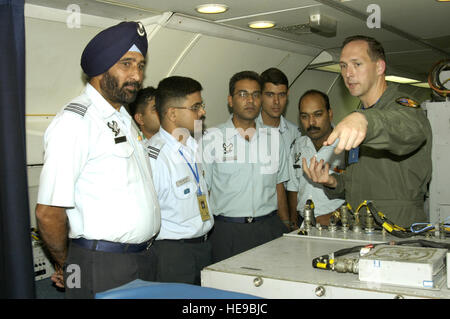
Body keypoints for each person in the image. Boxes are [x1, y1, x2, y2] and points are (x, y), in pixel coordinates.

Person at [35, 21, 161, 299]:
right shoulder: (76, 122)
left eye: (140, 66)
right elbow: (48, 212)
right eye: (126, 64)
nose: (137, 76)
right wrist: (68, 266)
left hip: (143, 259)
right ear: (99, 68)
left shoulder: (123, 118)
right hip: (100, 264)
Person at [302, 35, 432, 228]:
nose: (348, 73)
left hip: (399, 227)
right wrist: (332, 182)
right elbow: (358, 180)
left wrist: (366, 121)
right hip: (362, 225)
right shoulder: (359, 116)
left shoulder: (402, 106)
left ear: (379, 67)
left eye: (357, 64)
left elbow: (411, 130)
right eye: (344, 66)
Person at [203, 70, 290, 263]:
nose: (250, 100)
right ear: (230, 100)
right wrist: (204, 231)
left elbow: (279, 186)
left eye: (256, 94)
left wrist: (285, 225)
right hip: (226, 231)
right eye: (243, 94)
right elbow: (204, 190)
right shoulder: (211, 138)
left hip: (268, 227)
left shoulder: (274, 139)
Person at [145, 76, 213, 285]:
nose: (202, 112)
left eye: (201, 105)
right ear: (172, 113)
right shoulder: (154, 157)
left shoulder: (192, 146)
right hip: (173, 254)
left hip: (203, 246)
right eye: (195, 107)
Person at [287, 90, 345, 227]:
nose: (311, 122)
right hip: (304, 223)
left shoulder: (346, 146)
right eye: (304, 116)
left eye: (318, 115)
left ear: (330, 114)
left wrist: (335, 215)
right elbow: (293, 187)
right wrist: (293, 221)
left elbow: (360, 191)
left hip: (337, 224)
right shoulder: (297, 146)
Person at [257, 67, 300, 229]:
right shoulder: (248, 132)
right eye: (270, 95)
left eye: (281, 95)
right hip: (262, 215)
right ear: (260, 96)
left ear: (287, 96)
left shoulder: (295, 133)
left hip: (292, 210)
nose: (276, 102)